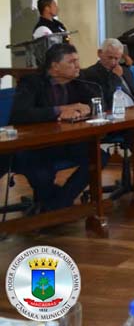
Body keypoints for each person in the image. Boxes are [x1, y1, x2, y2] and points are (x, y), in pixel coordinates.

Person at [9, 43, 93, 211]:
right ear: (55, 66)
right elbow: (20, 114)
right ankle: (55, 206)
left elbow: (95, 98)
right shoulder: (31, 82)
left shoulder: (76, 80)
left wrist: (87, 108)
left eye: (77, 60)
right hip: (36, 146)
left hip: (65, 142)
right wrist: (59, 110)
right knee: (42, 173)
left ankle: (59, 203)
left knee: (97, 156)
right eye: (72, 62)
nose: (77, 65)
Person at [81, 38, 134, 109]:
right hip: (115, 111)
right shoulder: (90, 74)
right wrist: (115, 77)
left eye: (116, 58)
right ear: (99, 53)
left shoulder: (125, 71)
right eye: (110, 57)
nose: (113, 62)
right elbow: (107, 102)